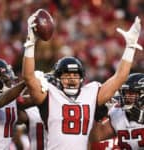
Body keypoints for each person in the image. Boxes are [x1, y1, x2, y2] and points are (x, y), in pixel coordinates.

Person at [22, 8, 143, 150]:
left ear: (82, 78)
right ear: (58, 79)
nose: (72, 79)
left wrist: (130, 47)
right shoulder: (50, 94)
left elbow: (120, 77)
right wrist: (30, 42)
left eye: (75, 75)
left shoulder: (90, 93)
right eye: (66, 75)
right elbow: (28, 77)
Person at [89, 73, 144, 150]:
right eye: (125, 93)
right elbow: (96, 137)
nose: (127, 97)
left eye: (132, 93)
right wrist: (98, 118)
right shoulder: (117, 112)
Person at [0, 58, 26, 149]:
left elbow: (22, 118)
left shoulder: (9, 96)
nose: (9, 81)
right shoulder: (3, 97)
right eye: (5, 77)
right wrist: (26, 82)